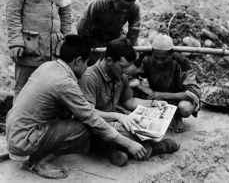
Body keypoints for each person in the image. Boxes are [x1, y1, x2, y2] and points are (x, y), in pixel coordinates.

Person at [6, 35, 148, 179]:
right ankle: (40, 163)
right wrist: (128, 143)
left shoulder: (49, 66)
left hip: (16, 134)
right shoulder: (65, 83)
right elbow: (90, 117)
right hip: (24, 142)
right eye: (86, 62)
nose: (87, 67)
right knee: (84, 127)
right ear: (78, 61)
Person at [79, 37, 180, 167]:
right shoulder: (90, 78)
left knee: (137, 126)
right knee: (127, 132)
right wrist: (118, 116)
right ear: (109, 60)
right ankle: (153, 148)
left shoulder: (120, 75)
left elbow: (129, 101)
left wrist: (153, 104)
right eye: (122, 66)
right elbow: (88, 113)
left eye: (127, 67)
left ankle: (114, 151)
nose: (125, 71)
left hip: (112, 123)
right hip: (94, 126)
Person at [126, 34, 201, 133]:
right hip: (153, 95)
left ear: (171, 54)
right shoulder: (146, 57)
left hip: (177, 97)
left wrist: (162, 95)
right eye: (156, 58)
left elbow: (194, 94)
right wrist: (146, 90)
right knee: (129, 91)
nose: (159, 62)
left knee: (185, 108)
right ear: (152, 53)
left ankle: (177, 117)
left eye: (163, 58)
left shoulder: (181, 61)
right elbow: (127, 75)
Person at [6, 0, 72, 101]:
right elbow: (13, 10)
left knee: (49, 94)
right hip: (30, 50)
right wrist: (15, 41)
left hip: (53, 52)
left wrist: (66, 40)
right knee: (23, 93)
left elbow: (65, 10)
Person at [76, 0, 141, 65]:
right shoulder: (100, 0)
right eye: (121, 6)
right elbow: (84, 26)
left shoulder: (135, 6)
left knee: (117, 63)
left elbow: (134, 31)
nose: (125, 10)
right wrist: (87, 48)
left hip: (115, 36)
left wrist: (131, 51)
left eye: (128, 7)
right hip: (94, 36)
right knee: (92, 64)